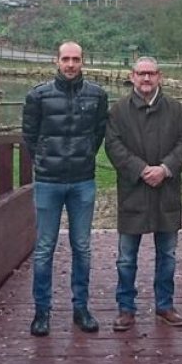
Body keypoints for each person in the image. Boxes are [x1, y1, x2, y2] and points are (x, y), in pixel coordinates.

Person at [21, 41, 109, 337]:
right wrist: (46, 159)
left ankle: (81, 308)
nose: (70, 64)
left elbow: (99, 133)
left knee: (82, 247)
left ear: (83, 61)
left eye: (76, 59)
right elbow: (29, 136)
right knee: (45, 248)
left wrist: (83, 156)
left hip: (82, 181)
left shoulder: (97, 96)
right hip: (49, 181)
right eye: (65, 59)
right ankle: (41, 311)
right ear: (56, 61)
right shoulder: (38, 96)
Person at [104, 56, 182, 332]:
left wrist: (165, 169)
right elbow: (113, 145)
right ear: (132, 76)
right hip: (133, 191)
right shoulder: (119, 111)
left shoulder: (175, 109)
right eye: (141, 74)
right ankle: (126, 308)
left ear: (160, 76)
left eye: (151, 74)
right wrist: (142, 170)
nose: (146, 79)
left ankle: (165, 305)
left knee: (167, 254)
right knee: (126, 257)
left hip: (166, 191)